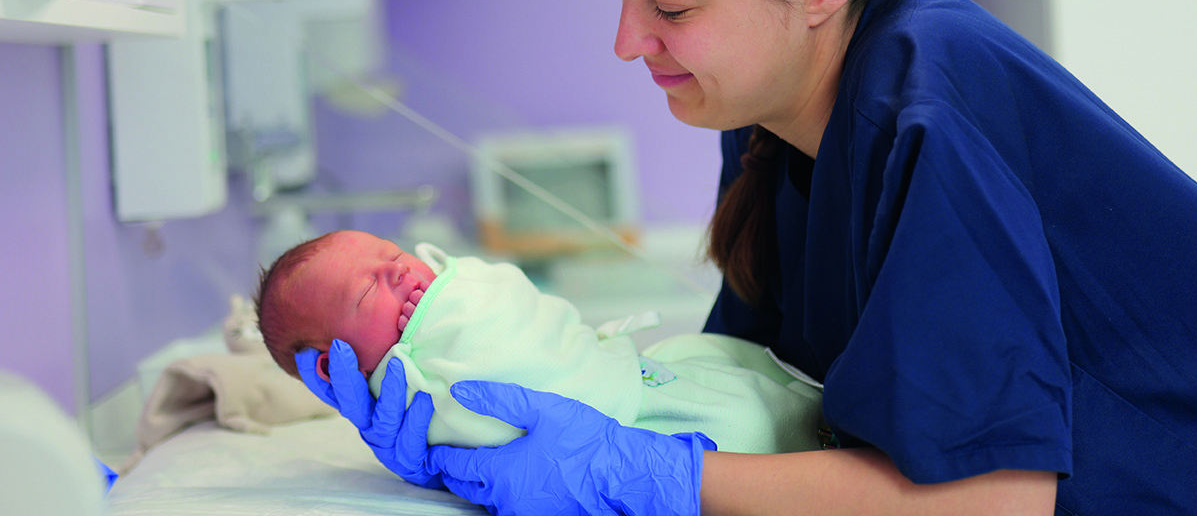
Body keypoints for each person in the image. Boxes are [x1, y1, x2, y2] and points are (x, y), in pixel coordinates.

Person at [295, 0, 1197, 513]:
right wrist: (474, 404)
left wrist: (645, 477)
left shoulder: (928, 108)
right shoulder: (767, 116)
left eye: (670, 3)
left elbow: (991, 500)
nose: (628, 41)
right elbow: (757, 396)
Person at [256, 230, 824, 455]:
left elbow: (519, 310)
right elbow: (482, 418)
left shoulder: (448, 281)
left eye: (392, 255)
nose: (402, 274)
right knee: (748, 432)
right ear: (334, 368)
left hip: (629, 371)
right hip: (626, 426)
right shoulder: (410, 395)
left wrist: (460, 290)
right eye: (366, 292)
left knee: (733, 375)